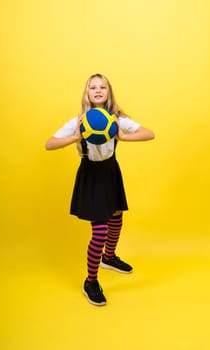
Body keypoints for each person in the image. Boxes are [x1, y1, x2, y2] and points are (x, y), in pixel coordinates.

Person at [45, 73, 155, 306]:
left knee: (116, 219)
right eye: (92, 87)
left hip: (110, 171)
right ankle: (91, 281)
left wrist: (123, 136)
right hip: (91, 175)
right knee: (100, 230)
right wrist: (75, 135)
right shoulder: (78, 121)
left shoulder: (116, 119)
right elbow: (49, 144)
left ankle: (110, 257)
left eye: (102, 87)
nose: (97, 90)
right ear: (87, 93)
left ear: (108, 93)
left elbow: (149, 133)